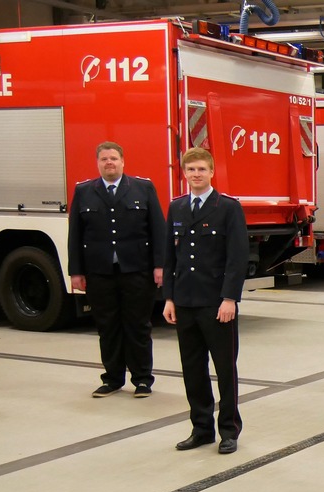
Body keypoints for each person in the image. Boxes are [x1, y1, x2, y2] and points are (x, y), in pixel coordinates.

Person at [162, 148, 249, 455]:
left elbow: (237, 258)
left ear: (212, 172)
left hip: (216, 304)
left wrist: (229, 298)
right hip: (185, 301)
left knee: (225, 369)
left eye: (201, 169)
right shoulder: (177, 208)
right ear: (184, 173)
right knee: (192, 368)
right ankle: (201, 428)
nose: (196, 174)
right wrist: (169, 298)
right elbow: (170, 257)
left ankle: (228, 429)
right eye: (191, 170)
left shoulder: (227, 208)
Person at [67, 141, 166, 398]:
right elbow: (75, 235)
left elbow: (158, 229)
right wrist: (75, 271)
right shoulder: (84, 191)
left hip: (136, 270)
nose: (109, 162)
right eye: (104, 159)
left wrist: (160, 265)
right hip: (99, 272)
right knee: (107, 326)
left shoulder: (143, 188)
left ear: (123, 161)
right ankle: (112, 378)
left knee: (137, 325)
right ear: (97, 163)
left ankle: (142, 379)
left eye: (113, 158)